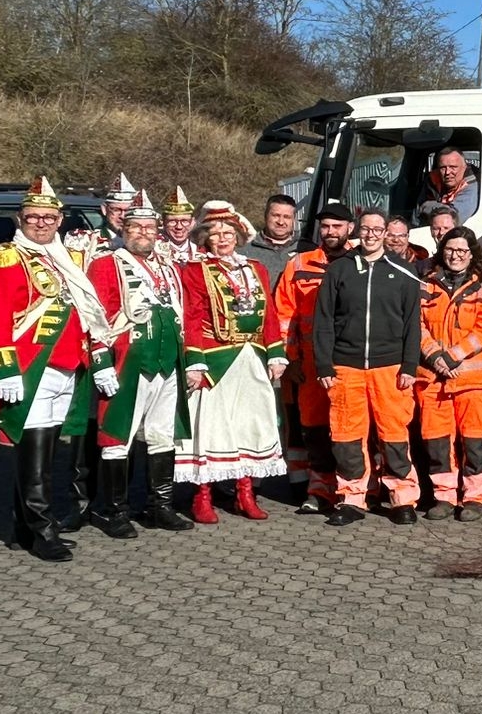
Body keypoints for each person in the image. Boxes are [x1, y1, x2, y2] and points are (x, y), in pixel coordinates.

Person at [0, 177, 118, 561]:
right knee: (34, 454)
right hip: (31, 368)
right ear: (19, 219)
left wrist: (99, 359)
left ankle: (23, 527)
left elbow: (87, 317)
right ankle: (42, 530)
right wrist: (3, 368)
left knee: (47, 453)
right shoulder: (4, 257)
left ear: (59, 220)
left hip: (67, 366)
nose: (41, 223)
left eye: (48, 217)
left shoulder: (66, 261)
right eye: (32, 217)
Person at [86, 189, 192, 534]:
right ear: (123, 229)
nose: (143, 233)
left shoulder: (168, 266)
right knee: (118, 437)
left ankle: (158, 506)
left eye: (149, 228)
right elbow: (93, 317)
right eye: (136, 227)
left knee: (162, 435)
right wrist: (100, 362)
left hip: (166, 362)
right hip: (127, 362)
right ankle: (114, 511)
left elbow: (182, 315)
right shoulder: (105, 265)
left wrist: (189, 360)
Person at [176, 201, 289, 523]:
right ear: (205, 238)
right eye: (216, 234)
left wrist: (275, 352)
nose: (223, 239)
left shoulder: (256, 268)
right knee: (211, 429)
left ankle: (245, 493)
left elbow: (268, 312)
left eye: (228, 232)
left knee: (249, 425)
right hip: (215, 359)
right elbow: (193, 316)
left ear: (239, 235)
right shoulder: (195, 270)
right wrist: (194, 362)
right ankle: (203, 497)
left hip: (251, 357)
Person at [314, 208, 424, 526]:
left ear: (386, 233)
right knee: (347, 435)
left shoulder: (403, 271)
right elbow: (323, 321)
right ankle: (352, 498)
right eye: (365, 229)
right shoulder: (339, 270)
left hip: (390, 367)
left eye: (377, 229)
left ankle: (402, 498)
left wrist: (409, 365)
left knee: (394, 434)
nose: (371, 234)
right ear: (356, 231)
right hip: (345, 366)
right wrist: (324, 365)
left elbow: (412, 324)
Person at [416, 229, 482, 521]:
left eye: (462, 250)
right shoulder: (427, 286)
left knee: (474, 441)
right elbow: (417, 324)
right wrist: (433, 355)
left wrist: (452, 356)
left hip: (472, 382)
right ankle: (443, 496)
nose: (455, 256)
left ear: (472, 253)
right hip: (433, 379)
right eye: (450, 250)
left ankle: (474, 497)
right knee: (437, 441)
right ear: (442, 251)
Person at [270, 202, 355, 513]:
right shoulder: (300, 264)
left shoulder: (361, 263)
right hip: (308, 365)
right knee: (315, 429)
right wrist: (288, 359)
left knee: (350, 429)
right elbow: (284, 315)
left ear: (350, 229)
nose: (330, 232)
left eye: (337, 226)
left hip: (350, 362)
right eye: (326, 226)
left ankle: (353, 491)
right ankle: (319, 490)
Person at [244, 194, 304, 278]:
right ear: (266, 216)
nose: (281, 222)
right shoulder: (245, 252)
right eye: (276, 215)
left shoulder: (306, 248)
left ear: (294, 219)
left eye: (287, 217)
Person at [417, 146, 480, 224]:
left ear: (464, 167)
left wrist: (427, 205)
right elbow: (417, 214)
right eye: (443, 168)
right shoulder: (432, 179)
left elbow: (453, 218)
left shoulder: (471, 184)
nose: (447, 172)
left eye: (453, 167)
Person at [159, 187, 200, 265]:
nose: (179, 227)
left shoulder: (202, 250)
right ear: (163, 222)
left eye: (184, 221)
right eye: (172, 221)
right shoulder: (153, 250)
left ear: (193, 222)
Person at [99, 173, 136, 250]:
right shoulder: (87, 242)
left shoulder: (148, 243)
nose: (122, 216)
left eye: (128, 211)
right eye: (116, 210)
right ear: (104, 209)